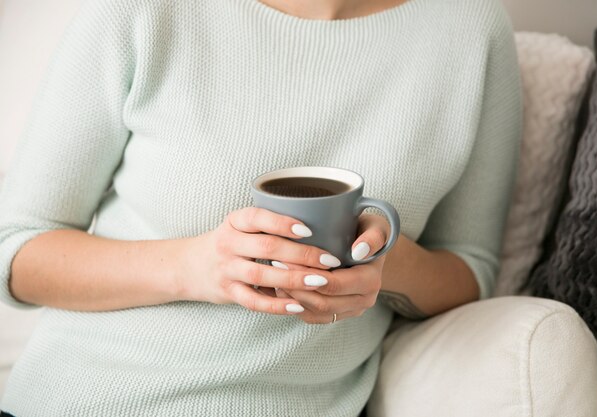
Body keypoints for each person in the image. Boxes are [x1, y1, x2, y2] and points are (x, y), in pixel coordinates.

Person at [0, 0, 522, 415]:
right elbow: (17, 248)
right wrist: (196, 268)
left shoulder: (471, 27)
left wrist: (385, 265)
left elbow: (471, 267)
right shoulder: (143, 10)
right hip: (86, 398)